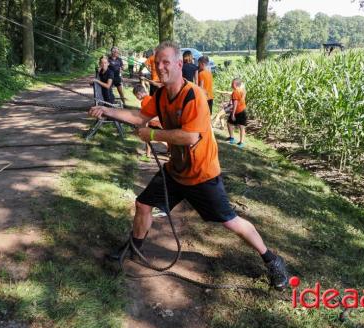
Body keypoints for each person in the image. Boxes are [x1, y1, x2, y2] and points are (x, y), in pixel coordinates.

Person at [88, 41, 289, 291]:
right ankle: (133, 249)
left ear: (179, 64)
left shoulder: (195, 95)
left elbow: (190, 136)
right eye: (157, 63)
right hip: (176, 170)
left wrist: (151, 136)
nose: (160, 67)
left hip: (202, 174)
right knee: (143, 204)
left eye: (166, 62)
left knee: (230, 222)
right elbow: (139, 117)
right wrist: (107, 112)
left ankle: (272, 260)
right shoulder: (160, 94)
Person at [133, 84, 165, 162]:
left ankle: (148, 156)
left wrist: (144, 126)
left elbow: (146, 116)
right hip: (160, 121)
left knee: (150, 137)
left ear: (139, 94)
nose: (137, 98)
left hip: (154, 122)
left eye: (136, 96)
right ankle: (148, 154)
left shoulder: (144, 102)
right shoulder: (150, 98)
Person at [226, 78, 247, 148]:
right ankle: (233, 138)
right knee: (230, 123)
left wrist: (233, 114)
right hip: (242, 110)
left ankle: (241, 142)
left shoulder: (235, 92)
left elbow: (235, 103)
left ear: (234, 84)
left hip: (239, 111)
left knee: (241, 126)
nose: (231, 84)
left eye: (232, 83)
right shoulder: (242, 91)